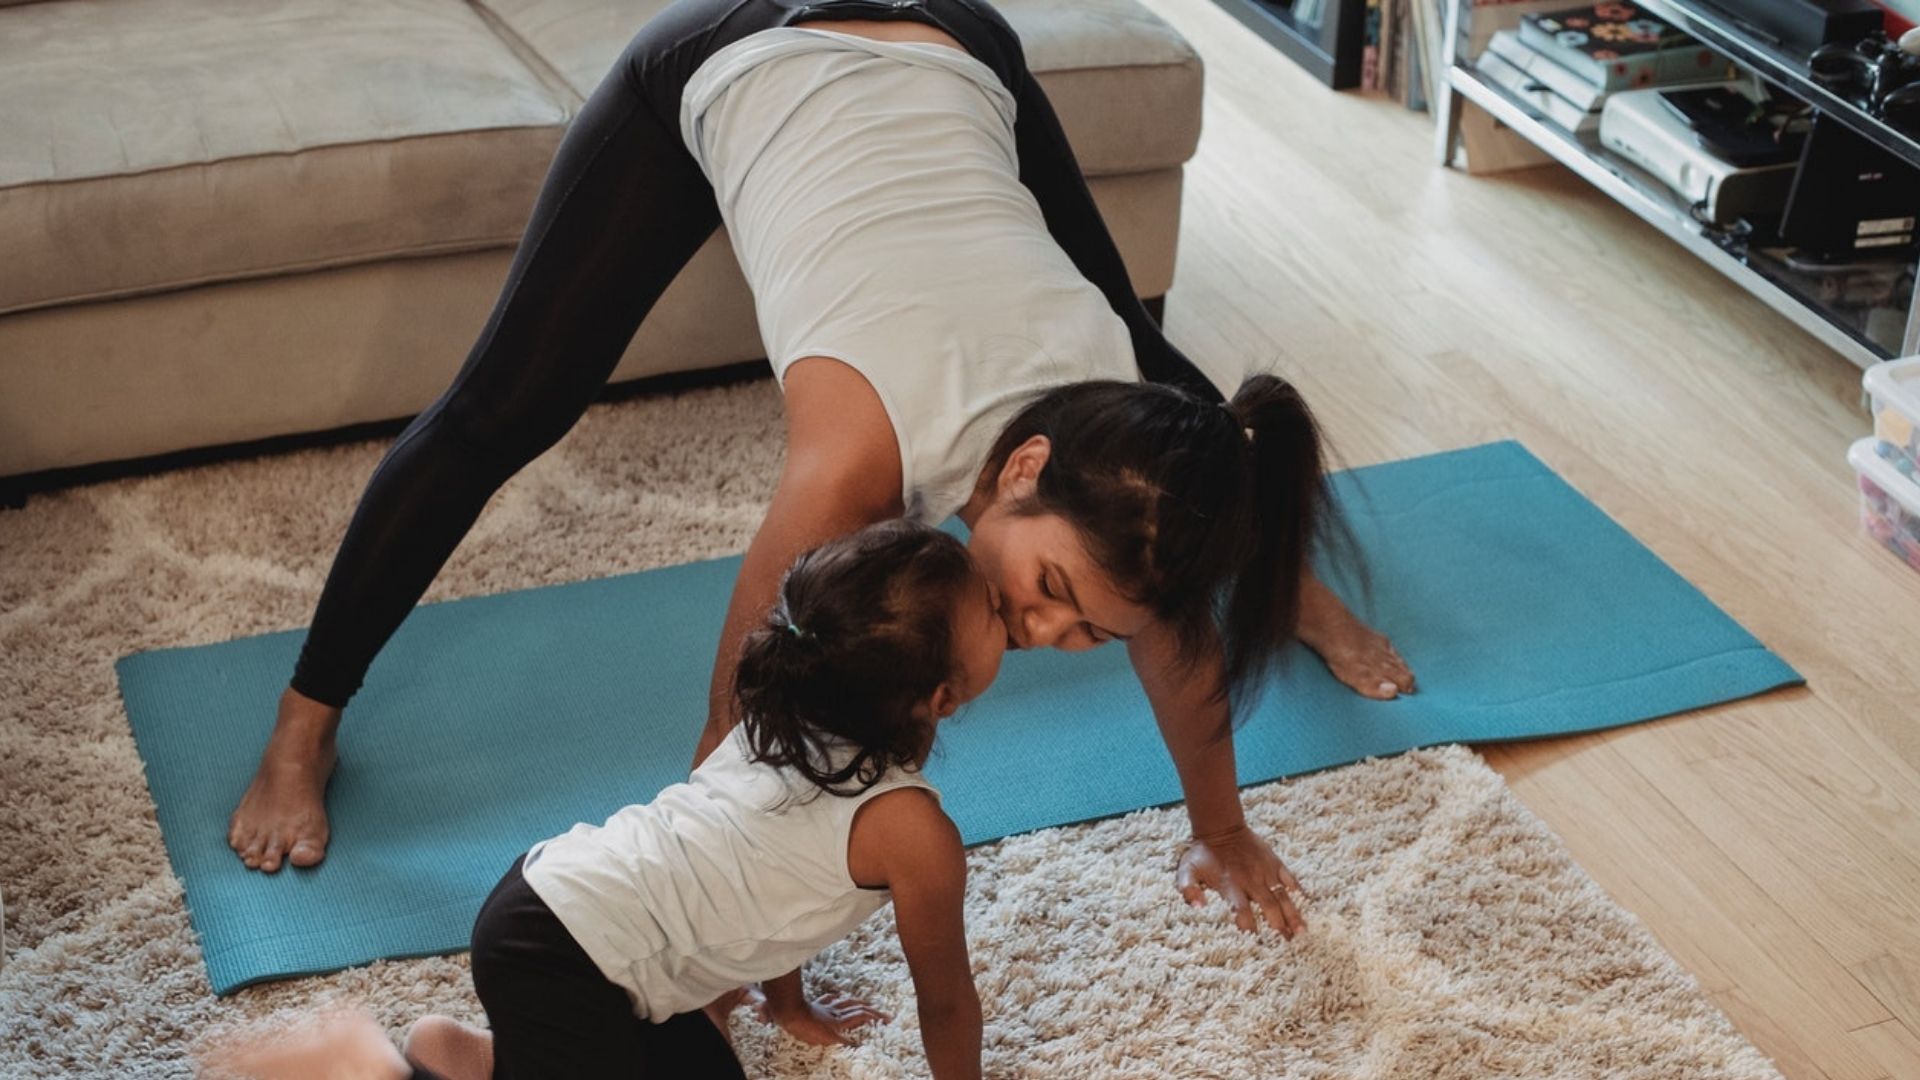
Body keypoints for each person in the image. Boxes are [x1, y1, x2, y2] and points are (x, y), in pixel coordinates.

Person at [226, 0, 1417, 937]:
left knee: (1181, 418)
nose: (1049, 635)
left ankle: (1272, 573)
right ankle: (303, 722)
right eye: (1053, 593)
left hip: (954, 38)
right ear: (1020, 470)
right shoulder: (858, 461)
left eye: (1086, 630)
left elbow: (1173, 639)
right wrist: (694, 917)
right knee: (500, 412)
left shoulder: (1110, 418)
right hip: (743, 45)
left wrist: (1221, 828)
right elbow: (729, 724)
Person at [215, 521, 1003, 1080]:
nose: (1005, 611)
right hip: (560, 958)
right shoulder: (915, 834)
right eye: (994, 614)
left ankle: (475, 1058)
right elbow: (947, 1003)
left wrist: (785, 1001)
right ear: (938, 696)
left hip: (549, 901)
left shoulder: (786, 718)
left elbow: (781, 884)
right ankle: (368, 1070)